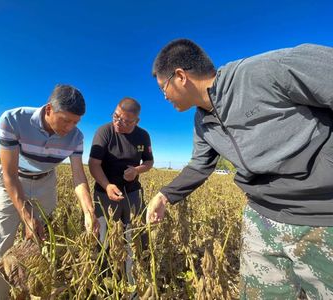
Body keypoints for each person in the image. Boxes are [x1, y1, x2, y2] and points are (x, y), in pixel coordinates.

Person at [146, 39, 333, 299]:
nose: (163, 96)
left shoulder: (265, 71)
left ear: (180, 76)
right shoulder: (202, 121)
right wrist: (164, 195)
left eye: (162, 88)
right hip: (262, 216)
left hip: (323, 217)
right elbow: (200, 165)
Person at [0, 84, 99, 299]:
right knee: (0, 246)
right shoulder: (12, 120)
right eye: (65, 120)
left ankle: (30, 292)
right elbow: (9, 175)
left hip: (46, 183)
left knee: (38, 243)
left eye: (76, 122)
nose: (70, 127)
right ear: (48, 110)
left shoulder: (76, 137)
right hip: (13, 181)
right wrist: (26, 216)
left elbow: (78, 177)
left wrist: (89, 212)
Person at [89, 97, 154, 282]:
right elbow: (94, 164)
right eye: (116, 117)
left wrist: (136, 170)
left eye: (125, 121)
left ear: (136, 121)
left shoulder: (143, 136)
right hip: (105, 194)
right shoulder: (104, 132)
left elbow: (149, 162)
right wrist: (107, 185)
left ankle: (133, 279)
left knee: (135, 237)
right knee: (104, 239)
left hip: (133, 194)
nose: (118, 123)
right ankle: (106, 281)